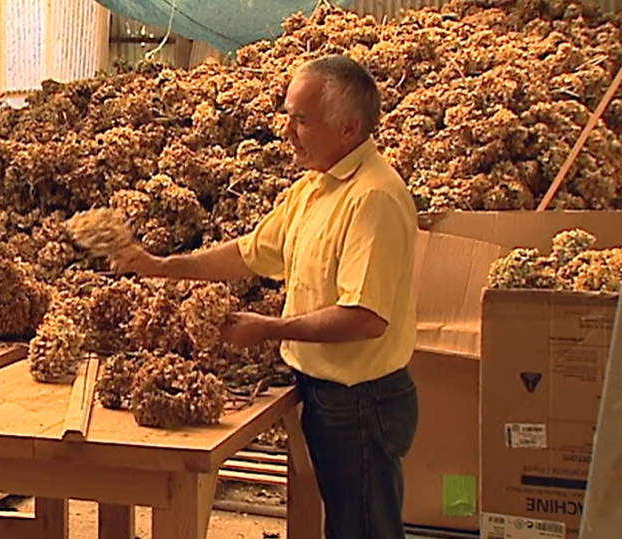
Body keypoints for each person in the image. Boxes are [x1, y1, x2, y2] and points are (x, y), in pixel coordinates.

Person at [112, 54, 420, 539]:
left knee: (364, 530)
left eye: (302, 120)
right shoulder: (315, 188)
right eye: (288, 116)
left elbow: (364, 317)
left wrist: (270, 328)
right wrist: (161, 266)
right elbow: (249, 254)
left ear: (349, 127)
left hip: (361, 402)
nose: (288, 132)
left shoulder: (372, 198)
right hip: (326, 394)